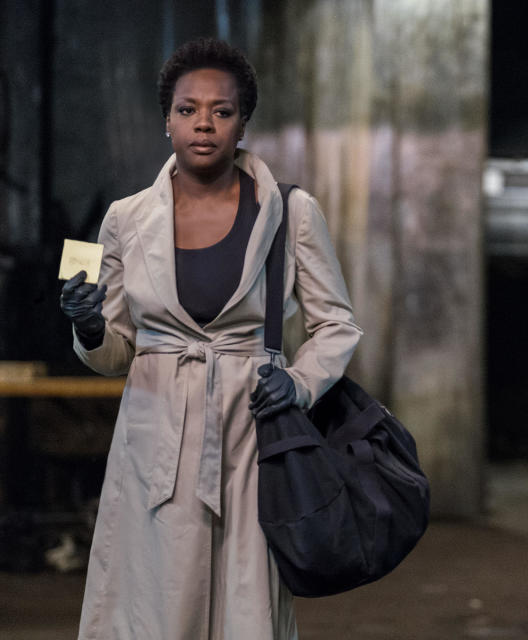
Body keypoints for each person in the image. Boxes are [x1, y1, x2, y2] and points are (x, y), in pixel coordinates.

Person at [59, 38, 361, 639]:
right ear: (166, 120)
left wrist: (299, 384)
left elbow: (336, 324)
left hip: (249, 426)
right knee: (151, 599)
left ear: (243, 122)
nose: (204, 123)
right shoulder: (125, 218)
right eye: (187, 109)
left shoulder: (290, 212)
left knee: (244, 600)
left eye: (222, 111)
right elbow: (118, 351)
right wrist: (90, 327)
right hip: (154, 435)